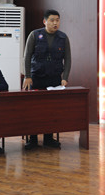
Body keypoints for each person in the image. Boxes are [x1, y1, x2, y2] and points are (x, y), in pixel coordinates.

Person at [22, 9, 71, 150]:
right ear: (45, 21)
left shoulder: (63, 37)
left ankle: (49, 138)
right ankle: (32, 139)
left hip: (54, 78)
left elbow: (68, 59)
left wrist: (65, 77)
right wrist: (27, 76)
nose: (55, 23)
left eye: (57, 20)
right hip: (36, 77)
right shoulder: (35, 35)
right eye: (52, 20)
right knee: (33, 109)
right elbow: (27, 57)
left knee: (51, 109)